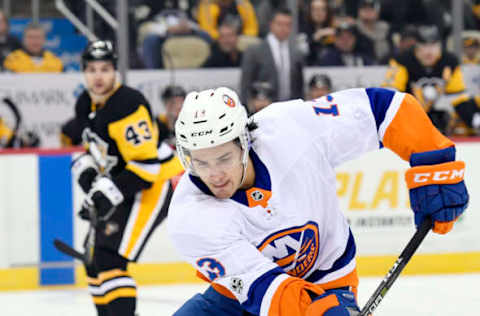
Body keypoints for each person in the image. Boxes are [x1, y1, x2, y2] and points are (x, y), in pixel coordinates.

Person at [167, 86, 469, 316]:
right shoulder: (189, 218)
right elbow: (266, 291)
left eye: (223, 158)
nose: (214, 175)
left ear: (244, 143)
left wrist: (435, 162)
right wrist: (320, 311)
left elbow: (382, 109)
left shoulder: (290, 128)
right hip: (241, 297)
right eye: (200, 163)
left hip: (329, 278)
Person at [69, 40, 183, 316]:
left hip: (154, 184)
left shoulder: (127, 104)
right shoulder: (85, 103)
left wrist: (103, 195)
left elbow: (147, 166)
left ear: (115, 71)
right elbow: (92, 152)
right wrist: (92, 187)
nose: (98, 76)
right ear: (84, 72)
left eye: (105, 69)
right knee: (93, 258)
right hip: (126, 184)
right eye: (92, 69)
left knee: (109, 258)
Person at [383, 24, 467, 135]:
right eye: (424, 46)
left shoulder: (450, 61)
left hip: (439, 114)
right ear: (416, 46)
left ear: (440, 46)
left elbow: (457, 96)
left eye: (433, 46)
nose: (429, 52)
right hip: (409, 115)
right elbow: (390, 93)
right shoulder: (402, 61)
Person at [240, 7, 304, 103]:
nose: (284, 28)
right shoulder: (255, 51)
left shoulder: (296, 53)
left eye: (288, 25)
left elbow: (299, 86)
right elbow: (245, 84)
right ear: (271, 24)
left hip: (291, 107)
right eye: (280, 24)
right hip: (263, 107)